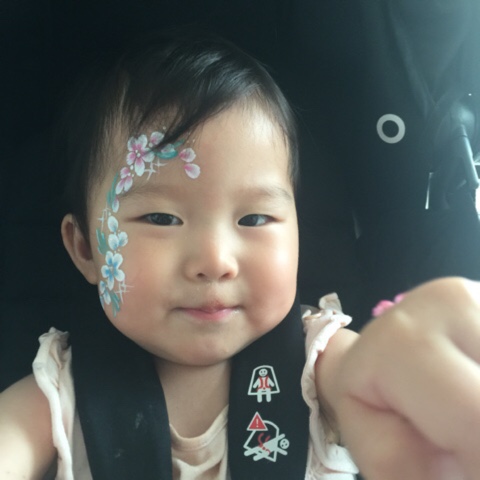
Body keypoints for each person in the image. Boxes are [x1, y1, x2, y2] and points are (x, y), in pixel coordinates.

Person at [0, 31, 480, 480]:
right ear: (85, 249)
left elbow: (373, 373)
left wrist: (408, 365)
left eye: (254, 219)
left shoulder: (321, 363)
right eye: (161, 218)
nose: (215, 262)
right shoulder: (59, 391)